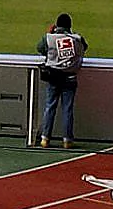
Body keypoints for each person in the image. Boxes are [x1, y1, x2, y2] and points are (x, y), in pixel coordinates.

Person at [36, 12, 88, 149]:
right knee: (67, 109)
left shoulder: (49, 38)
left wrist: (50, 33)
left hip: (53, 77)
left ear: (57, 25)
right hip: (70, 78)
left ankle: (45, 139)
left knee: (50, 107)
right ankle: (67, 140)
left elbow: (40, 48)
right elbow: (84, 47)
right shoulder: (77, 38)